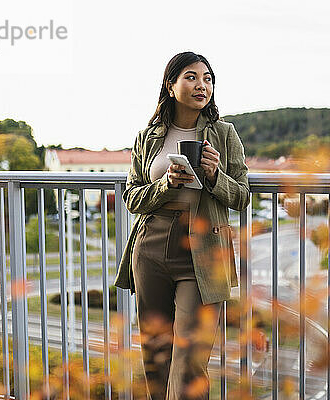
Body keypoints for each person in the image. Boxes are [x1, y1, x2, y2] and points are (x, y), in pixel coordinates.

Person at [113, 51, 250, 400]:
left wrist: (214, 175)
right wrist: (167, 184)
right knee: (156, 357)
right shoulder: (149, 136)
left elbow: (242, 195)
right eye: (191, 77)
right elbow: (132, 197)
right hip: (152, 245)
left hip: (203, 248)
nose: (201, 85)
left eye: (207, 78)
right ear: (170, 85)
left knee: (189, 362)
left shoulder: (224, 133)